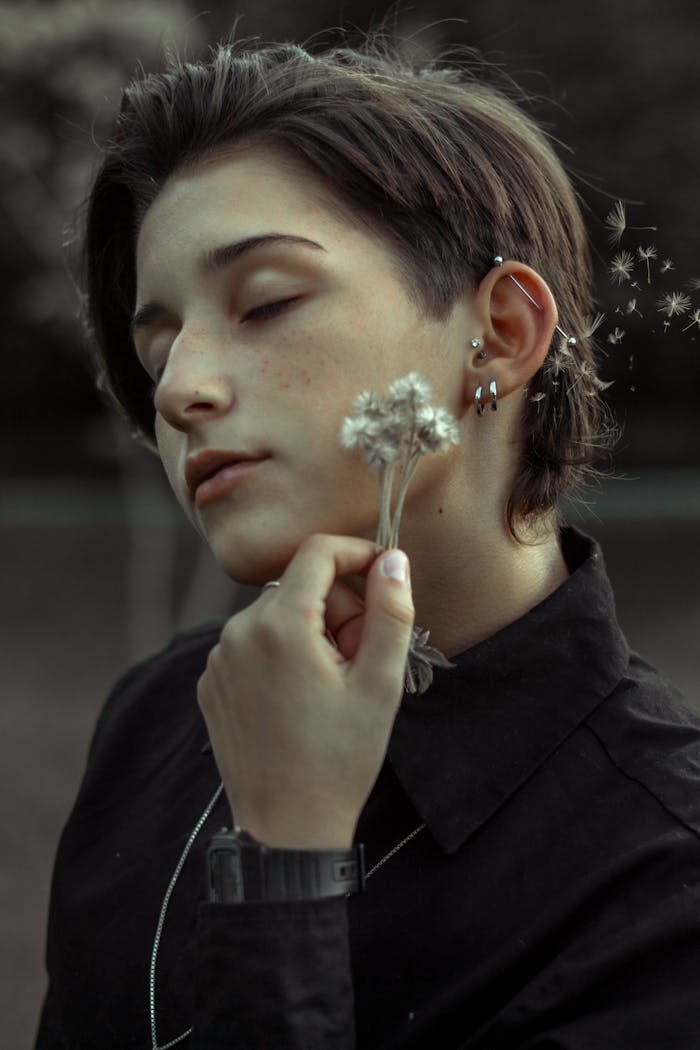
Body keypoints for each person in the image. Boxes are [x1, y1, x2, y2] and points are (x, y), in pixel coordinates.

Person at [36, 28, 700, 1050]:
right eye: (155, 344)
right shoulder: (156, 718)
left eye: (264, 302)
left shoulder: (657, 873)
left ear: (503, 332)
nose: (176, 389)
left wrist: (286, 867)